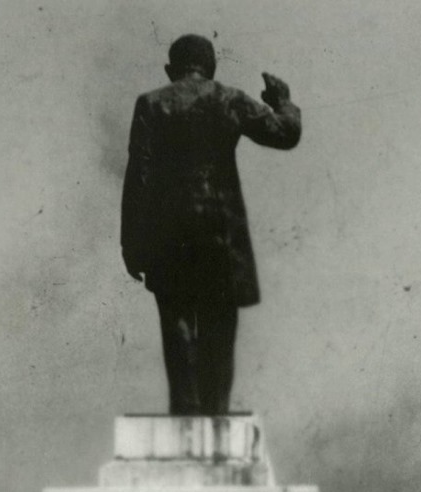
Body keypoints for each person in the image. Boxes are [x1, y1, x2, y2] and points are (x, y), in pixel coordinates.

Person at [120, 33, 301, 414]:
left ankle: (185, 408)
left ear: (170, 69)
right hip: (221, 230)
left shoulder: (151, 104)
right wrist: (283, 102)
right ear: (212, 67)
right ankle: (216, 409)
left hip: (168, 234)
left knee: (176, 320)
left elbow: (138, 175)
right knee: (219, 321)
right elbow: (286, 134)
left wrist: (131, 244)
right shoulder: (228, 98)